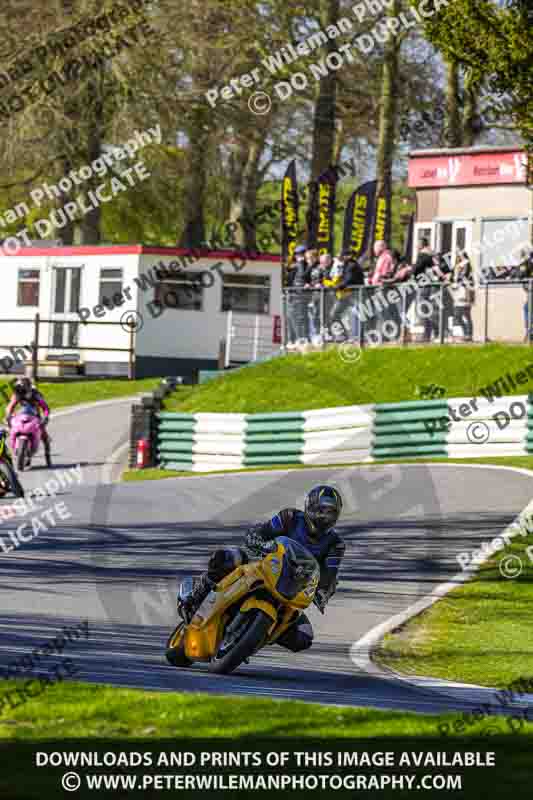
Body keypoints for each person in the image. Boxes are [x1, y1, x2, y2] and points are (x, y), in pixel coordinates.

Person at [179, 485, 345, 653]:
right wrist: (259, 541)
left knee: (304, 636)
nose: (324, 516)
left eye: (330, 512)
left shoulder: (335, 544)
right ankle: (195, 594)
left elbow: (329, 574)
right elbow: (262, 532)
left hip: (293, 589)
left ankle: (256, 636)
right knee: (228, 558)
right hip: (266, 567)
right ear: (310, 507)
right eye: (321, 510)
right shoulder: (290, 517)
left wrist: (323, 591)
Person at [5, 377, 51, 467]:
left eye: (24, 387)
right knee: (10, 428)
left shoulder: (36, 394)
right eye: (20, 387)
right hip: (22, 414)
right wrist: (8, 415)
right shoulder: (17, 394)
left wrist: (45, 417)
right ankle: (13, 447)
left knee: (44, 435)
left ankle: (47, 455)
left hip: (35, 415)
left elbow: (45, 407)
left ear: (29, 387)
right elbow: (10, 406)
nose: (22, 389)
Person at [451, 251, 475, 341]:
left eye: (460, 257)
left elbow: (465, 277)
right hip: (458, 292)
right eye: (458, 257)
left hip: (465, 291)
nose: (459, 258)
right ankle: (466, 333)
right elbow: (454, 278)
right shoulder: (457, 267)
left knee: (467, 314)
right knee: (457, 315)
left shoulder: (466, 266)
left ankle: (469, 335)